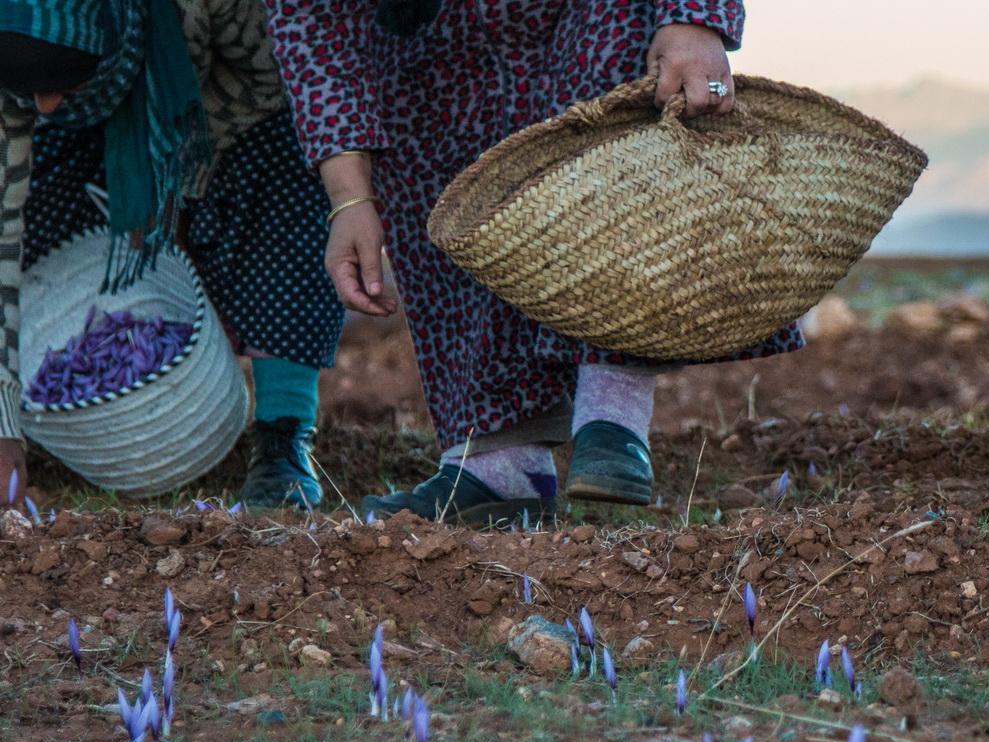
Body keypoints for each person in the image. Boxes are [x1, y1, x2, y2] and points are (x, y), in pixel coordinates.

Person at [263, 0, 803, 527]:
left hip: (590, 19)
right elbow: (313, 22)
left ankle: (612, 414)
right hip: (434, 35)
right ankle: (499, 465)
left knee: (608, 95)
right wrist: (350, 199)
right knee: (438, 152)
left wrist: (694, 21)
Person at [0, 0, 346, 510]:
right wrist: (3, 425)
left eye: (57, 83)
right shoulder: (17, 62)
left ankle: (283, 437)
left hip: (228, 111)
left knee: (289, 173)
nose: (45, 104)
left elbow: (291, 81)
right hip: (104, 124)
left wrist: (177, 176)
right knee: (43, 202)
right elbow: (5, 230)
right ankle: (65, 431)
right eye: (34, 92)